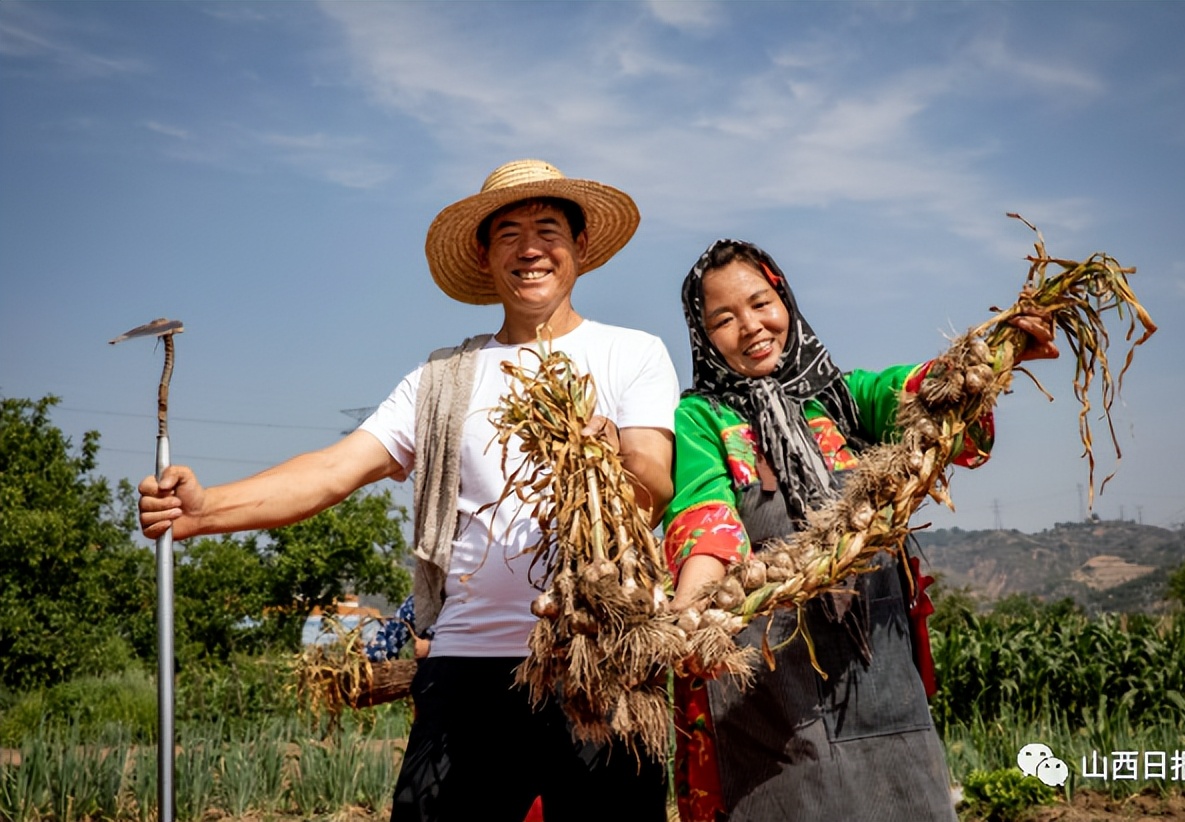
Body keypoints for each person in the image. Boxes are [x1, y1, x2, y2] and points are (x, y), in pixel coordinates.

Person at [139, 159, 680, 822]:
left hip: (599, 661)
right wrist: (207, 509)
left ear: (581, 248)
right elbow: (336, 468)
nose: (530, 248)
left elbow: (654, 484)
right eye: (509, 234)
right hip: (469, 667)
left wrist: (604, 461)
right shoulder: (441, 381)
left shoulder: (632, 353)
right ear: (484, 256)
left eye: (548, 229)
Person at [662, 239, 1057, 822]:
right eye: (723, 318)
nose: (750, 327)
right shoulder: (703, 419)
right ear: (704, 335)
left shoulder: (845, 398)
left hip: (879, 683)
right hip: (768, 698)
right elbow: (705, 520)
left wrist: (1000, 351)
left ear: (786, 301)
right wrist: (691, 614)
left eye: (761, 303)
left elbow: (929, 388)